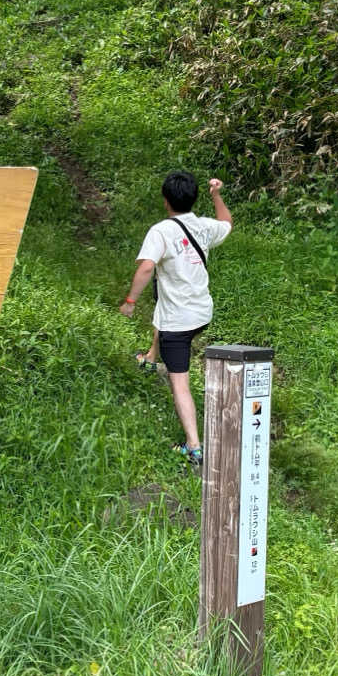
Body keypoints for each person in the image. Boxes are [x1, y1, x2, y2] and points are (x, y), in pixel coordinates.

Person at [119, 171, 232, 466]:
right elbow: (227, 223)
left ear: (166, 200)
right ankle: (150, 358)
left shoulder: (161, 231)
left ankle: (194, 446)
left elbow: (146, 268)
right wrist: (217, 195)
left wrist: (130, 302)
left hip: (178, 321)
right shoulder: (204, 226)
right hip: (201, 313)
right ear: (193, 198)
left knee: (179, 381)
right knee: (164, 307)